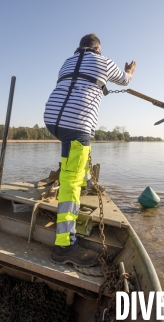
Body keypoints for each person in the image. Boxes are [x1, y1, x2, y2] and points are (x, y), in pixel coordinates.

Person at [44, 33, 136, 267]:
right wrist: (131, 71)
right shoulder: (103, 61)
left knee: (77, 157)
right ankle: (64, 245)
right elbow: (125, 80)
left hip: (53, 119)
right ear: (97, 48)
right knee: (71, 183)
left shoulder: (67, 62)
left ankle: (81, 178)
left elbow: (78, 84)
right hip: (76, 124)